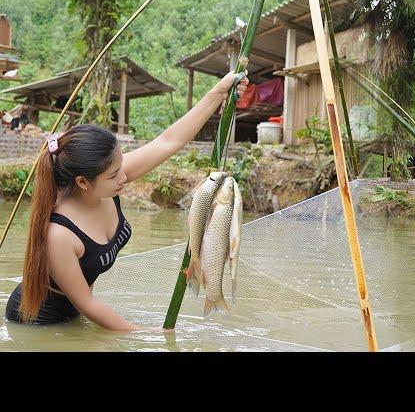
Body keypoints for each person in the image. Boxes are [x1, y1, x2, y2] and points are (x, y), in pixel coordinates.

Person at [4, 72, 249, 331]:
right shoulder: (60, 234)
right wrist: (143, 334)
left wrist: (218, 93)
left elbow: (168, 142)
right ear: (83, 183)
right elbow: (87, 303)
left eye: (121, 165)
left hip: (75, 313)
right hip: (37, 322)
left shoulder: (108, 177)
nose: (125, 176)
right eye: (114, 175)